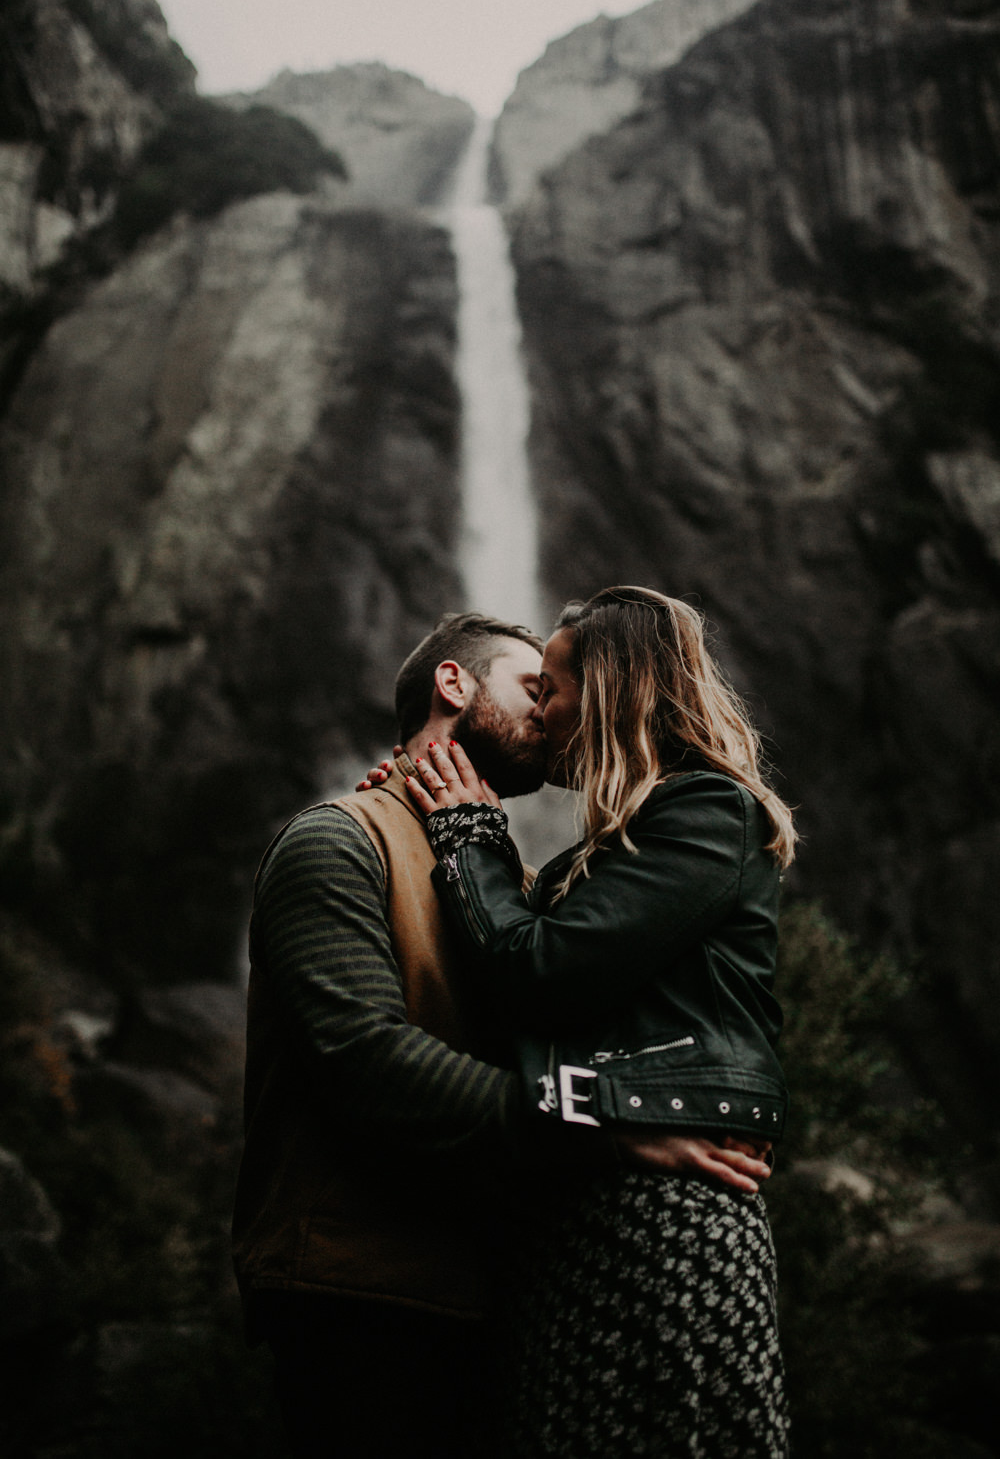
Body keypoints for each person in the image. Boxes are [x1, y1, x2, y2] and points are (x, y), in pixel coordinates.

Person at [233, 609, 775, 1459]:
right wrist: (606, 1131)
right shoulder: (335, 841)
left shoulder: (501, 881)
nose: (557, 714)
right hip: (364, 1293)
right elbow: (366, 1063)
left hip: (503, 1294)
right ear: (454, 684)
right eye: (537, 688)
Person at [405, 587, 795, 1458]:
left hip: (664, 1222)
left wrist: (469, 834)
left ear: (613, 688)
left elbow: (541, 976)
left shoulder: (707, 813)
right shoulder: (618, 843)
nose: (536, 709)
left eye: (549, 685)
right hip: (598, 1210)